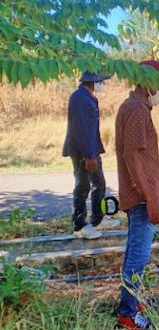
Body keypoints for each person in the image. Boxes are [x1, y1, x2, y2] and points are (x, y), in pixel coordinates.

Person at [115, 60, 159, 330]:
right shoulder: (137, 110)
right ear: (147, 82)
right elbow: (132, 157)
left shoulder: (137, 108)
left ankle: (130, 302)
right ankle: (127, 315)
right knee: (139, 257)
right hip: (142, 197)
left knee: (134, 252)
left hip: (142, 195)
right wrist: (151, 199)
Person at [62, 71, 120, 240]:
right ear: (93, 82)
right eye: (101, 81)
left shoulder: (87, 96)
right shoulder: (80, 98)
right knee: (83, 186)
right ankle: (79, 225)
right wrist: (89, 156)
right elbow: (82, 129)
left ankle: (98, 218)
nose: (104, 84)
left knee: (99, 183)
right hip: (82, 151)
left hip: (90, 149)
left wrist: (93, 152)